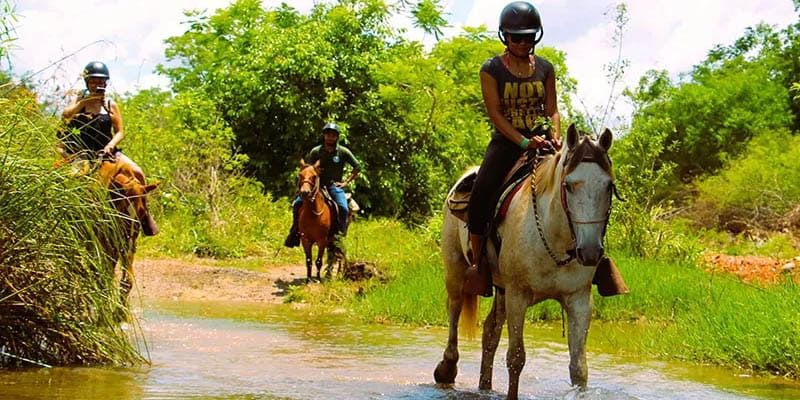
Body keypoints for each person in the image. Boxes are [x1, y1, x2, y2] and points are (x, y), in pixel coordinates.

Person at [464, 1, 561, 297]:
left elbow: (552, 109)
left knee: (584, 179)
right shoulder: (491, 69)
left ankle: (596, 260)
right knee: (481, 191)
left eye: (528, 37)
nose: (522, 43)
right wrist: (521, 142)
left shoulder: (545, 68)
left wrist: (555, 135)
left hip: (542, 139)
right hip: (507, 142)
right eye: (516, 37)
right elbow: (495, 114)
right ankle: (479, 263)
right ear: (504, 36)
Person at [59, 61, 158, 235]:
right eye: (93, 81)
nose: (97, 85)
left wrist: (111, 145)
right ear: (87, 82)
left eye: (101, 81)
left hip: (108, 151)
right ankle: (70, 221)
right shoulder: (80, 99)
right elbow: (66, 115)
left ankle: (144, 216)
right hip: (83, 153)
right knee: (72, 179)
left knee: (138, 171)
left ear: (106, 83)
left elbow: (120, 132)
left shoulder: (111, 104)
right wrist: (85, 102)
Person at [284, 122, 361, 247]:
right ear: (324, 136)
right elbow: (307, 168)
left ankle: (339, 236)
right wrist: (313, 172)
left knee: (343, 207)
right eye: (328, 135)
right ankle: (295, 232)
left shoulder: (342, 152)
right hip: (315, 185)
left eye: (333, 135)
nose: (330, 138)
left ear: (337, 137)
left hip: (333, 186)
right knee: (297, 204)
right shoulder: (316, 151)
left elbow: (357, 167)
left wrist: (346, 182)